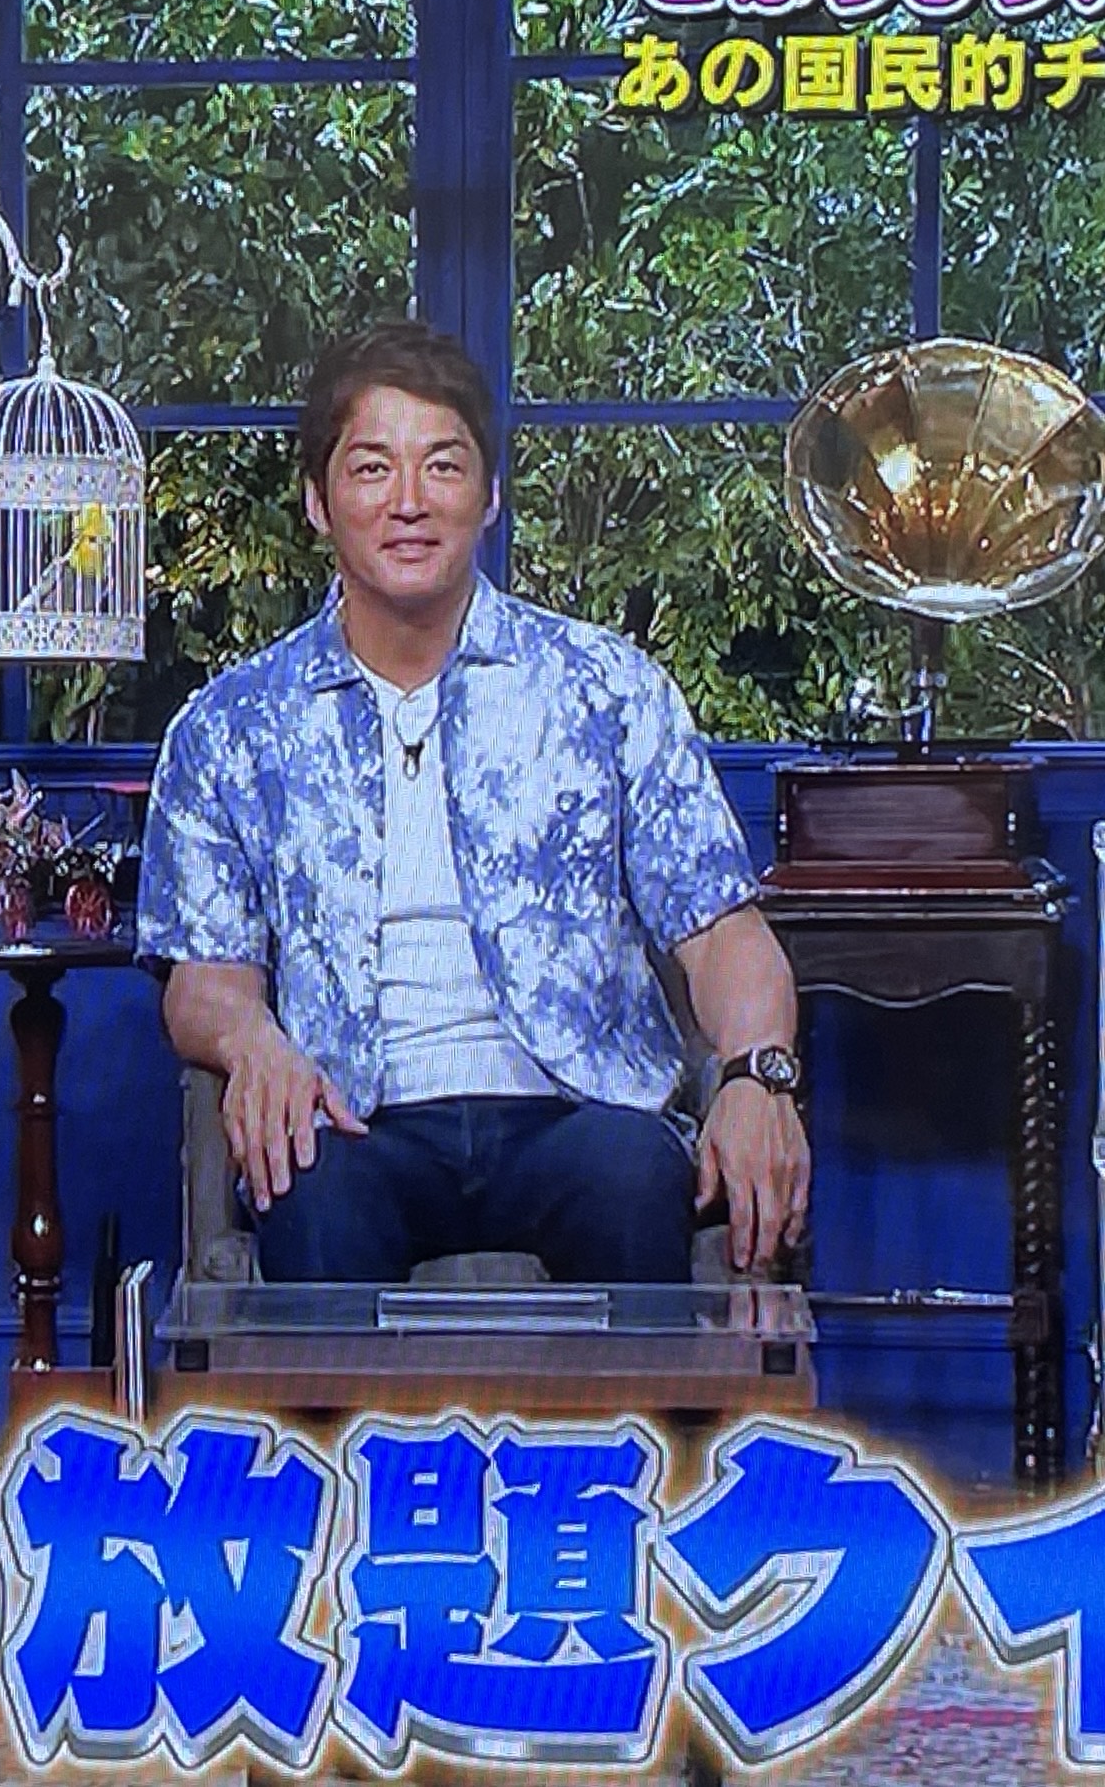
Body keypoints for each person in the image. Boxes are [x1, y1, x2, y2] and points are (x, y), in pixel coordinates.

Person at [140, 321, 810, 1285]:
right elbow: (204, 983)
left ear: (489, 496)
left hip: (576, 1113)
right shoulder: (232, 726)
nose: (409, 502)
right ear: (318, 502)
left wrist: (756, 1074)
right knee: (306, 1191)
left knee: (631, 1179)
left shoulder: (603, 689)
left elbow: (722, 934)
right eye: (372, 469)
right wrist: (255, 1045)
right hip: (353, 1119)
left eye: (443, 466)